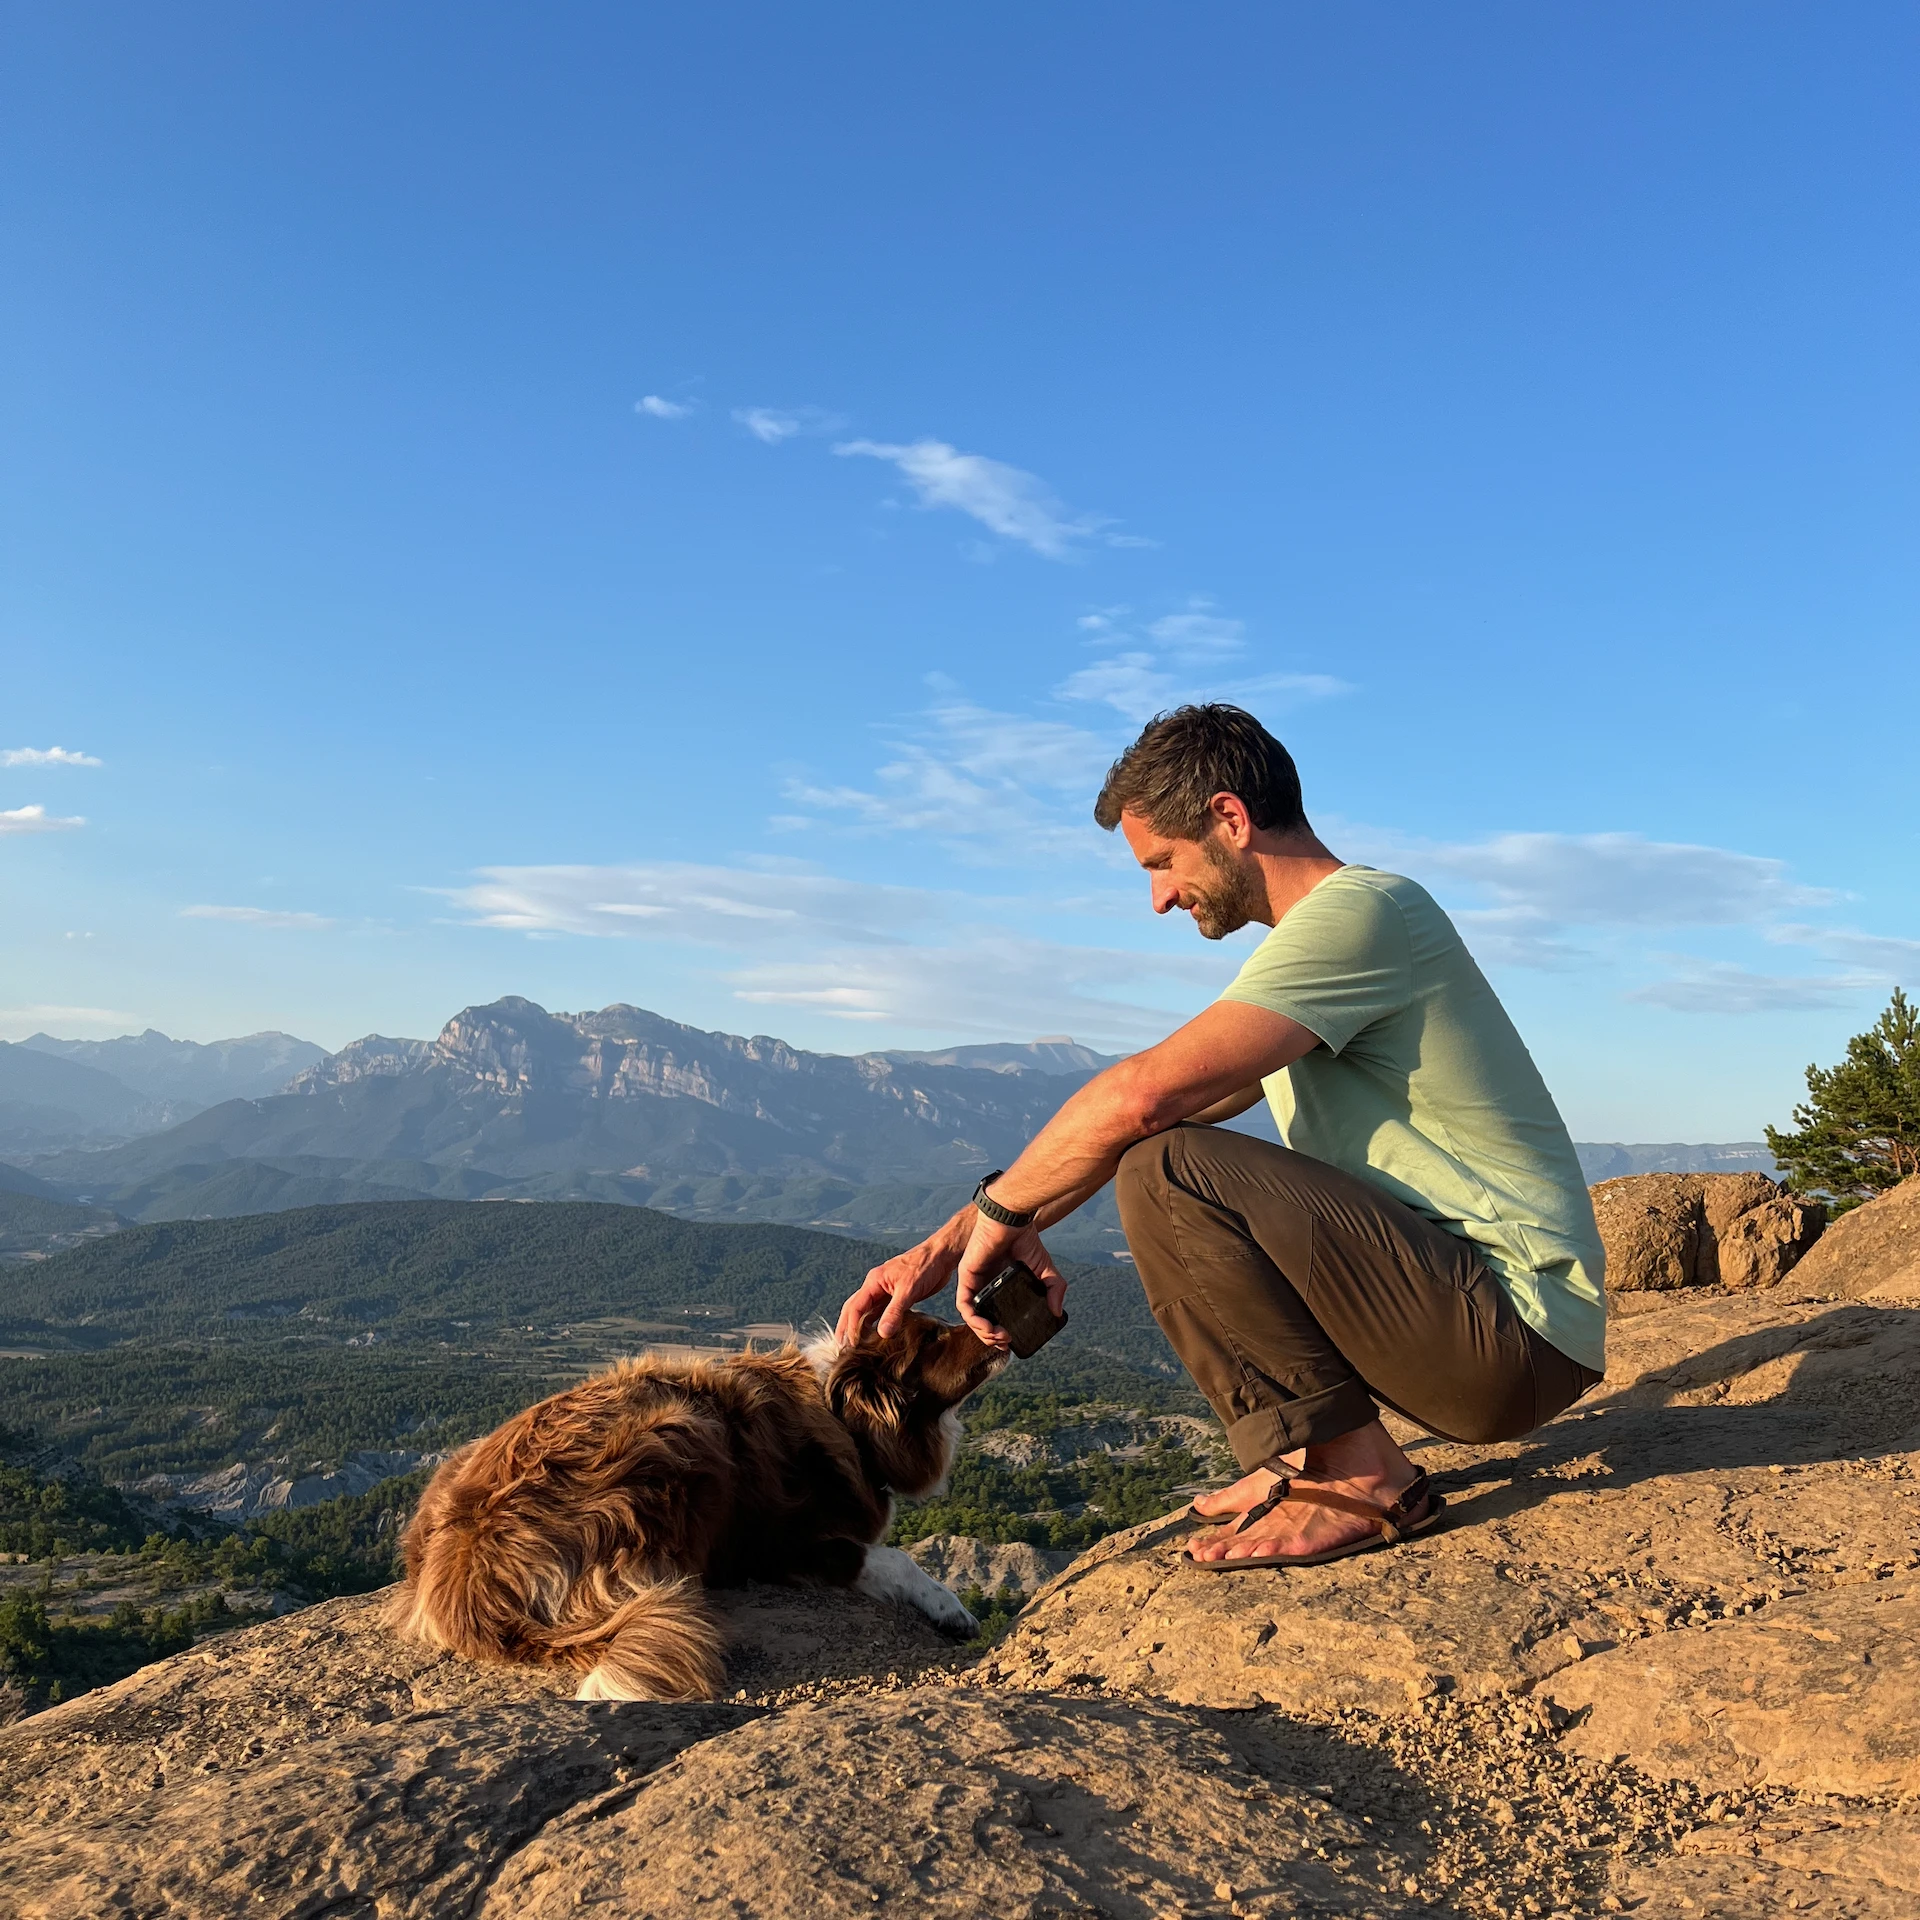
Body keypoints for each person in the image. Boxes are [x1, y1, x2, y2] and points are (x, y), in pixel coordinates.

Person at [836, 703, 1606, 1569]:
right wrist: (945, 1247)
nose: (1160, 898)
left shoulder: (1364, 915)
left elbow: (1143, 1099)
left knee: (1168, 1170)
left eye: (1162, 862)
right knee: (1156, 1159)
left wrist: (999, 1213)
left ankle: (1360, 1474)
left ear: (1230, 819)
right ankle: (1301, 1456)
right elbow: (1151, 1119)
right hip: (1469, 1324)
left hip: (1514, 1333)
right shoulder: (1326, 946)